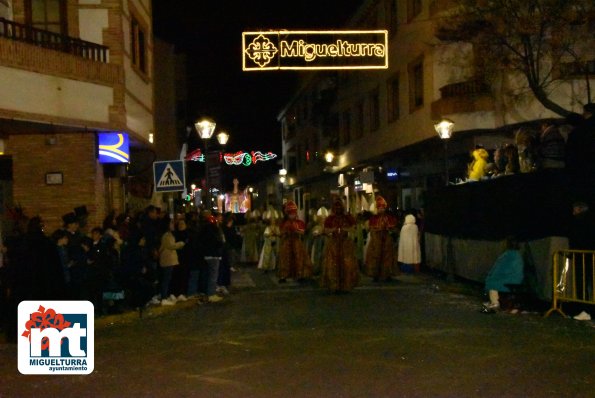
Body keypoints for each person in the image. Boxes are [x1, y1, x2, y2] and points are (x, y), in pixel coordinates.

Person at [320, 200, 359, 293]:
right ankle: (334, 285)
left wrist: (345, 229)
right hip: (333, 243)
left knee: (347, 263)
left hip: (345, 243)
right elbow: (325, 230)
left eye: (340, 207)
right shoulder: (330, 218)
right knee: (333, 263)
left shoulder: (347, 218)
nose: (338, 209)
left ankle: (346, 284)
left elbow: (354, 228)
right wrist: (333, 230)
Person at [567, 201, 595, 321]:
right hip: (590, 256)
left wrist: (571, 253)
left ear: (579, 209)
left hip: (582, 256)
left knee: (582, 284)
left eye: (574, 210)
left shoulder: (579, 221)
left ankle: (585, 310)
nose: (573, 212)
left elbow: (576, 238)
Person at [483, 238, 524, 311]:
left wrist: (490, 275)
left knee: (491, 282)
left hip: (509, 279)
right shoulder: (518, 255)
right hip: (517, 279)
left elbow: (499, 268)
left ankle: (494, 302)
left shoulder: (507, 255)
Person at [277, 200, 312, 283]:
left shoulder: (299, 222)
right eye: (290, 214)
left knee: (298, 258)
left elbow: (302, 232)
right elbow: (281, 233)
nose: (292, 215)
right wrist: (286, 232)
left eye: (293, 213)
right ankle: (284, 275)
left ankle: (299, 274)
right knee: (285, 258)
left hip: (296, 243)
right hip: (287, 242)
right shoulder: (284, 223)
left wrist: (295, 230)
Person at [365, 196, 398, 282]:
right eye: (379, 208)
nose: (381, 210)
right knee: (376, 257)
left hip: (386, 240)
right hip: (376, 240)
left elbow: (393, 228)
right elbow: (370, 228)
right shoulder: (373, 219)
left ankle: (387, 274)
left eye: (383, 208)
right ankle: (375, 275)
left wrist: (390, 230)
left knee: (387, 257)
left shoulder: (389, 218)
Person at [198, 211, 225, 303]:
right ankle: (211, 294)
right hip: (213, 255)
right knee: (213, 275)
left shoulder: (202, 229)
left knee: (208, 274)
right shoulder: (213, 231)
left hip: (207, 254)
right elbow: (218, 242)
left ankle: (208, 293)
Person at [158, 218, 185, 305]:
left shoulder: (168, 234)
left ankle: (167, 295)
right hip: (167, 259)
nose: (173, 225)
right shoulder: (166, 235)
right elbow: (171, 246)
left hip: (169, 259)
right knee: (166, 279)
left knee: (168, 278)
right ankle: (164, 298)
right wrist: (181, 243)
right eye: (171, 224)